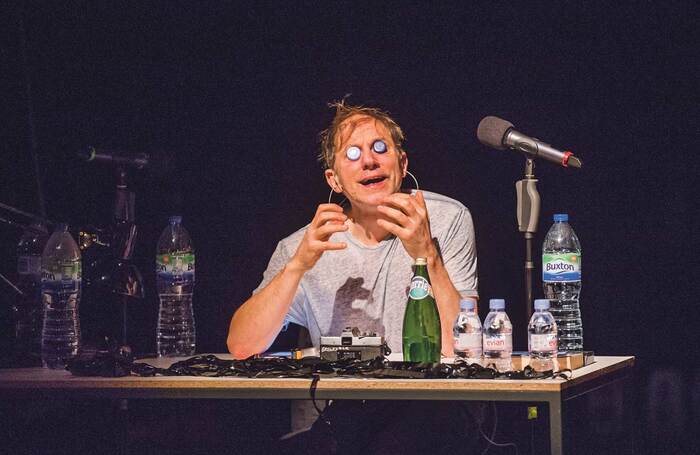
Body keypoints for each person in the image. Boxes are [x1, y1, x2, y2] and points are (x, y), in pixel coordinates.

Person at [227, 101, 480, 454]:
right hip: (349, 415)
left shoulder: (446, 219)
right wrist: (297, 265)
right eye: (353, 153)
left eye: (380, 148)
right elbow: (241, 345)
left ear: (402, 163)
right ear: (335, 180)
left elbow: (464, 348)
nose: (369, 161)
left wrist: (428, 255)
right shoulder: (304, 244)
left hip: (435, 406)